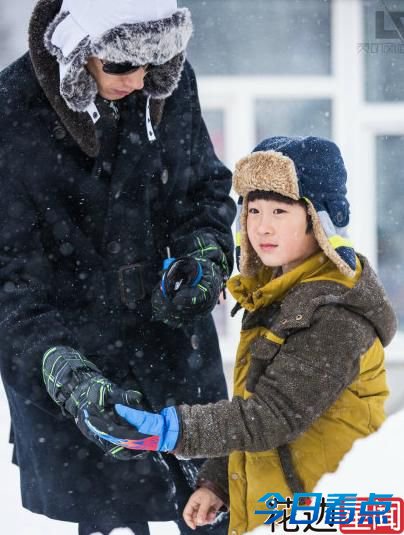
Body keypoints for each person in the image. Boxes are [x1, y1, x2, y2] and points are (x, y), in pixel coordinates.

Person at [0, 1, 236, 534]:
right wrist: (67, 376)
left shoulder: (162, 84)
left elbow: (203, 187)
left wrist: (204, 252)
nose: (140, 79)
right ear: (79, 49)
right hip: (70, 355)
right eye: (124, 65)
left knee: (216, 504)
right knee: (105, 517)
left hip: (173, 349)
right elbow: (8, 278)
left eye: (155, 63)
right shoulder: (11, 110)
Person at [93, 136, 398, 535]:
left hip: (329, 514)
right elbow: (255, 404)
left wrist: (174, 430)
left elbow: (272, 416)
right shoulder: (278, 297)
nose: (261, 226)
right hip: (281, 510)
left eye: (279, 210)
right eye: (252, 209)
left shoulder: (335, 314)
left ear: (319, 219)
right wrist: (218, 481)